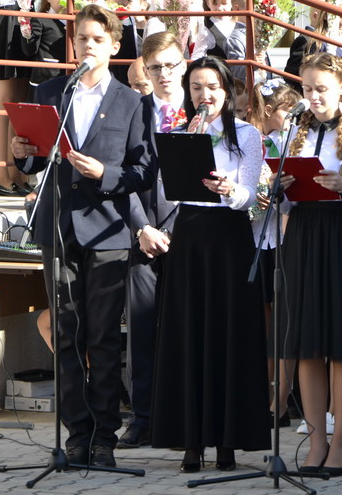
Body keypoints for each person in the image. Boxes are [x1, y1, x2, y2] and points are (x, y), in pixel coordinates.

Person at [10, 4, 154, 468]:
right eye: (81, 39)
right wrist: (22, 154)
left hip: (108, 232)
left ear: (114, 46)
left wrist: (106, 173)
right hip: (59, 226)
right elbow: (37, 156)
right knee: (68, 334)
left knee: (104, 339)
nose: (86, 47)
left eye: (96, 39)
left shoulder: (132, 102)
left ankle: (105, 438)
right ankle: (76, 436)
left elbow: (144, 170)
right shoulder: (55, 91)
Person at [149, 55, 270, 473]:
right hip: (191, 238)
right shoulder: (180, 132)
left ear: (227, 90)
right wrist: (185, 148)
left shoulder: (248, 136)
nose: (205, 96)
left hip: (230, 237)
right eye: (197, 88)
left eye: (212, 87)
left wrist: (229, 188)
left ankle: (227, 443)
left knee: (229, 334)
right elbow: (169, 189)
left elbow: (250, 197)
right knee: (190, 332)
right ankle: (191, 441)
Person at [276, 52, 342, 476]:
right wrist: (279, 188)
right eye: (307, 88)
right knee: (306, 347)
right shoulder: (293, 133)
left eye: (322, 88)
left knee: (341, 348)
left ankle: (339, 444)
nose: (314, 96)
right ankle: (316, 441)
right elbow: (285, 200)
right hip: (303, 235)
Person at [117, 32, 186, 450]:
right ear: (145, 67)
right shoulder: (133, 109)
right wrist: (141, 227)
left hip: (188, 234)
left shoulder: (203, 107)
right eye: (155, 66)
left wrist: (180, 231)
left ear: (185, 61)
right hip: (143, 235)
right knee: (141, 329)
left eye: (171, 65)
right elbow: (121, 174)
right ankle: (143, 417)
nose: (163, 74)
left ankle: (182, 418)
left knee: (185, 329)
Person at [248, 77, 302, 429]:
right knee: (264, 321)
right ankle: (264, 395)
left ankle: (283, 398)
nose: (293, 117)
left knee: (285, 321)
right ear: (268, 111)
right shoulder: (254, 141)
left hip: (286, 238)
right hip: (258, 239)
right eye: (287, 111)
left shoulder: (292, 143)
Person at [0, 0, 36, 195]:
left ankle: (16, 171)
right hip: (6, 12)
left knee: (20, 98)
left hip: (25, 14)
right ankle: (1, 175)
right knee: (5, 97)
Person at [105, 0, 147, 86]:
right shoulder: (102, 11)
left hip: (127, 65)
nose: (125, 3)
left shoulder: (130, 16)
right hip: (110, 64)